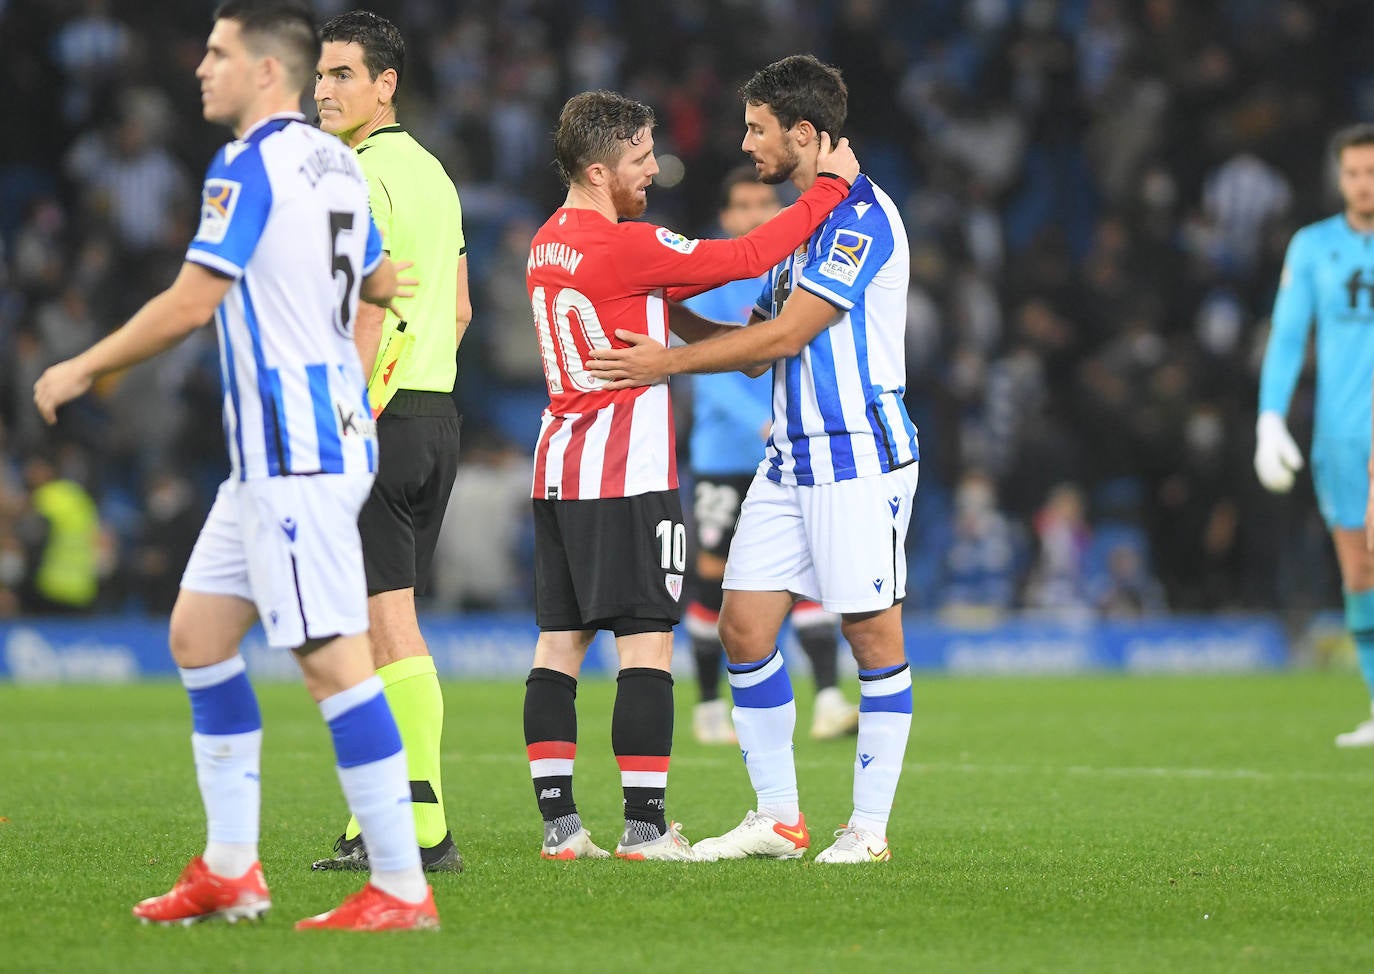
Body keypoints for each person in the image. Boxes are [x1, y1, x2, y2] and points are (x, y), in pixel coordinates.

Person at [33, 0, 438, 930]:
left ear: (265, 70)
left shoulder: (248, 163)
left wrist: (84, 365)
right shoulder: (337, 162)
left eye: (217, 54)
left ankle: (401, 887)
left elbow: (191, 300)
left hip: (297, 452)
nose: (201, 70)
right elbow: (378, 273)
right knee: (199, 637)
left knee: (335, 663)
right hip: (282, 453)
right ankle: (229, 871)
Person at [588, 55, 918, 864]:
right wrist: (666, 314)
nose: (746, 142)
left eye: (757, 128)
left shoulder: (862, 217)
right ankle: (779, 818)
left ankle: (868, 830)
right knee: (741, 626)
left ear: (803, 133)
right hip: (790, 456)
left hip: (856, 455)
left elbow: (787, 335)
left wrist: (661, 365)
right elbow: (749, 351)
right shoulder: (807, 226)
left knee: (872, 636)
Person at [523, 88, 859, 862]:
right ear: (602, 169)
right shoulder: (627, 241)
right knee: (645, 643)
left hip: (558, 469)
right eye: (641, 159)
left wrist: (720, 342)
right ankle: (645, 829)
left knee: (558, 646)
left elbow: (650, 308)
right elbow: (745, 256)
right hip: (626, 471)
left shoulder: (549, 241)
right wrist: (834, 189)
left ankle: (561, 828)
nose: (653, 173)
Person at [308, 8, 468, 875]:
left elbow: (368, 306)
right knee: (375, 624)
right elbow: (460, 308)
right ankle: (375, 814)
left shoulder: (352, 174)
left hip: (376, 415)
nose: (324, 89)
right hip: (433, 415)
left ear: (385, 84)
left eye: (342, 75)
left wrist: (347, 420)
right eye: (320, 74)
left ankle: (421, 825)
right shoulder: (436, 177)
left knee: (384, 621)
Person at [681, 165, 859, 745]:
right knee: (712, 577)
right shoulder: (711, 279)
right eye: (745, 205)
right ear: (726, 216)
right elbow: (711, 372)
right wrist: (757, 420)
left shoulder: (795, 268)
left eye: (766, 203)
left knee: (809, 568)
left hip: (784, 446)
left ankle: (830, 696)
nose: (757, 214)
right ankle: (708, 705)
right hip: (726, 453)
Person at [1259, 122, 1374, 748]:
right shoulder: (1311, 246)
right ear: (1339, 177)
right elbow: (1286, 335)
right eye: (1353, 172)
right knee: (1358, 572)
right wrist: (1269, 416)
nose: (1363, 184)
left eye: (1372, 172)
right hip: (1339, 434)